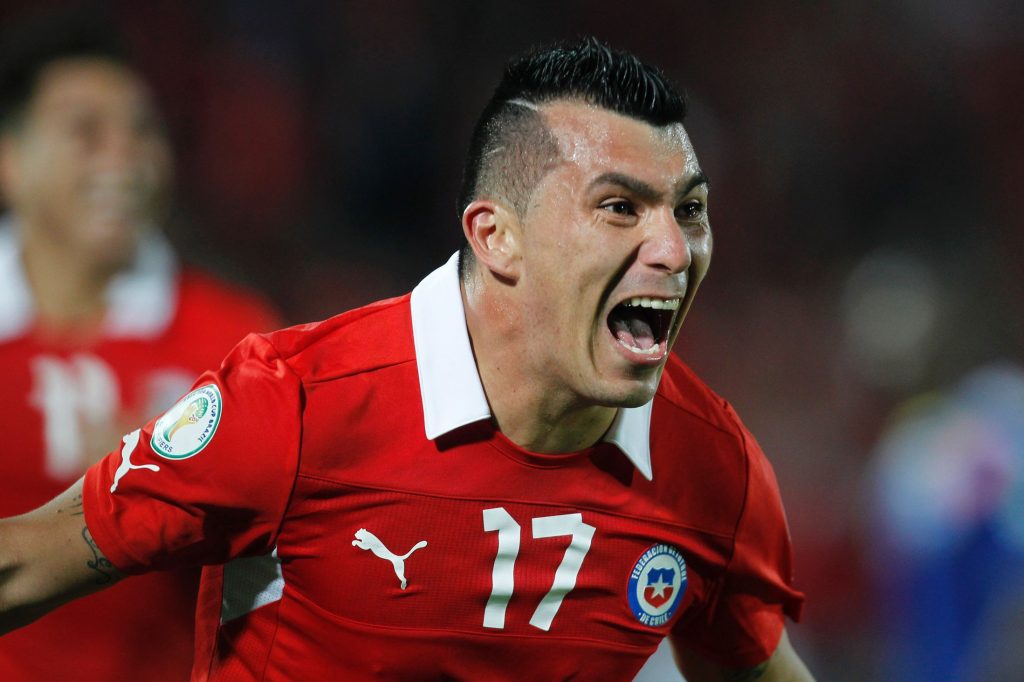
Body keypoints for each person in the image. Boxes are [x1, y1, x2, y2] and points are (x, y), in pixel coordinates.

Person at [0, 37, 811, 681]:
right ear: (497, 237)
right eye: (620, 207)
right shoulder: (298, 404)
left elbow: (752, 663)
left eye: (690, 209)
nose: (674, 248)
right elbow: (26, 563)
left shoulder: (712, 467)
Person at [0, 9, 279, 681]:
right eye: (87, 132)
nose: (124, 156)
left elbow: (275, 568)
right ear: (10, 159)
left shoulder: (236, 342)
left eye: (142, 131)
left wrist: (177, 484)